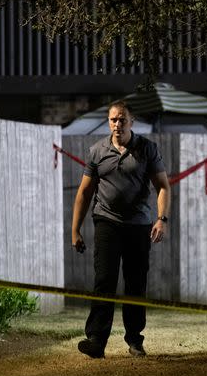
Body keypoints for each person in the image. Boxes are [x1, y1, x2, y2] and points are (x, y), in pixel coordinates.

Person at [71, 100, 171, 358]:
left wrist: (162, 219)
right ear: (109, 121)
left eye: (122, 119)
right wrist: (75, 230)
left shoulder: (147, 149)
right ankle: (96, 340)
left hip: (138, 225)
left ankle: (135, 340)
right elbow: (84, 192)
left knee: (135, 283)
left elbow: (162, 186)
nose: (117, 124)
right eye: (113, 119)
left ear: (131, 122)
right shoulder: (97, 151)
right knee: (104, 280)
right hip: (106, 221)